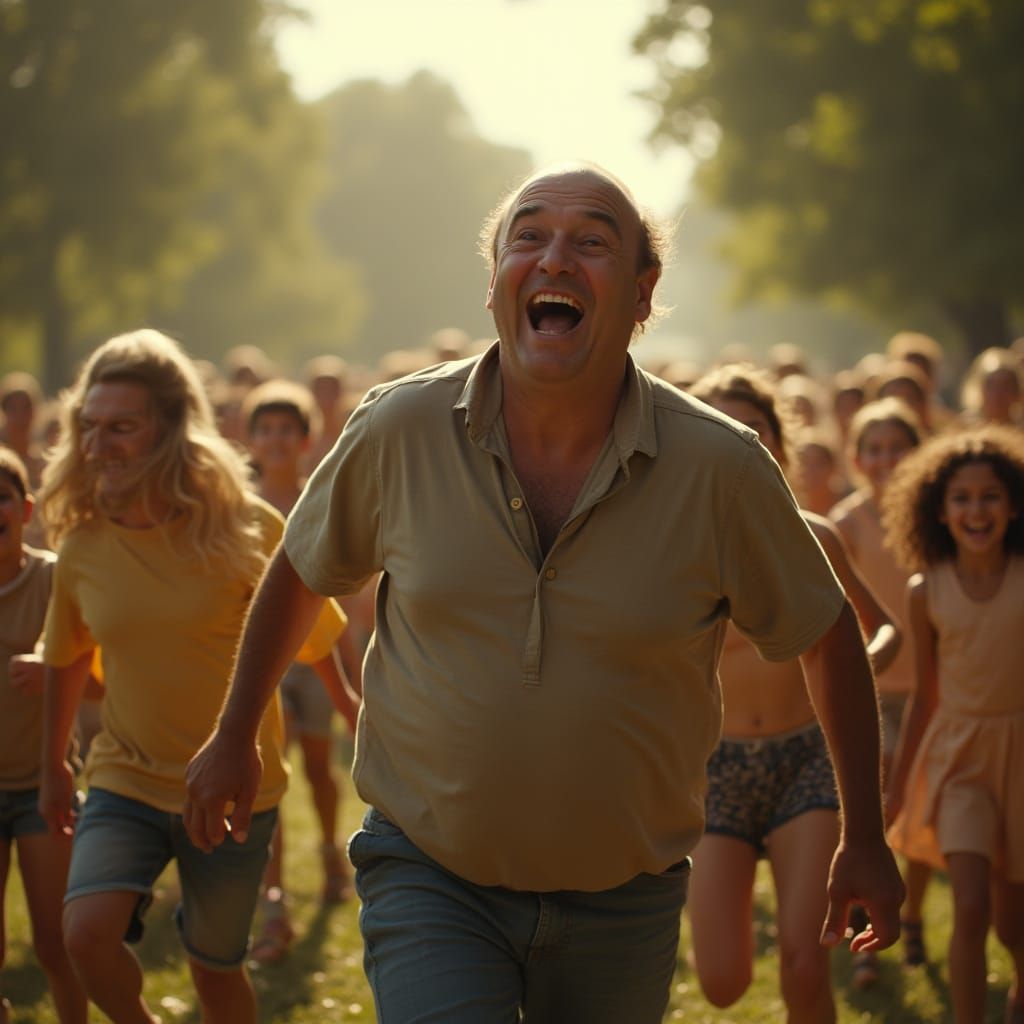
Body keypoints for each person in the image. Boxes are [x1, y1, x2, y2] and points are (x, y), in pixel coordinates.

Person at [184, 163, 904, 1023]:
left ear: (642, 295)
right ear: (494, 283)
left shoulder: (721, 467)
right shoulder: (397, 428)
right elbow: (301, 571)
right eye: (527, 237)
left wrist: (863, 833)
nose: (554, 258)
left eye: (591, 241)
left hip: (623, 899)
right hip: (429, 874)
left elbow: (829, 637)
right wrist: (234, 734)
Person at [37, 330, 347, 1024]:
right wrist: (55, 762)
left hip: (236, 790)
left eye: (121, 426)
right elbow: (64, 654)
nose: (98, 444)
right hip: (125, 776)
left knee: (215, 973)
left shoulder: (248, 528)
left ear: (172, 429)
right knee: (84, 935)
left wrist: (350, 707)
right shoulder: (82, 542)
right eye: (88, 427)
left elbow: (313, 635)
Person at [687, 364, 901, 1023]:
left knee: (807, 966)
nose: (737, 444)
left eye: (752, 431)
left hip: (807, 761)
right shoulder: (677, 547)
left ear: (777, 447)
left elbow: (883, 629)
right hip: (717, 769)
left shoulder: (817, 537)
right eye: (720, 430)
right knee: (721, 982)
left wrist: (845, 670)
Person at [883, 426, 1024, 1024]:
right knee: (970, 908)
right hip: (960, 760)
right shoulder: (926, 590)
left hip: (1021, 758)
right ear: (939, 511)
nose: (976, 510)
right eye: (961, 498)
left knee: (1013, 921)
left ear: (1013, 504)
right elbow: (926, 696)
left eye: (989, 495)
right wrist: (895, 789)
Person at [241, 379, 362, 963]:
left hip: (319, 658)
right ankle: (274, 902)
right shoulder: (239, 508)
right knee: (267, 772)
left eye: (287, 429)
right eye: (265, 429)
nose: (276, 439)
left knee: (318, 768)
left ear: (307, 437)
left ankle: (331, 851)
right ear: (251, 440)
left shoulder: (322, 494)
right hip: (265, 663)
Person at [829, 396, 932, 982]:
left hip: (933, 689)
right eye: (875, 448)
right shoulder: (846, 522)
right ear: (858, 457)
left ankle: (912, 917)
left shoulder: (934, 515)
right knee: (876, 812)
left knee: (921, 811)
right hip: (873, 691)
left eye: (899, 447)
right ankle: (865, 936)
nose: (887, 458)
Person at [0, 447, 86, 1024]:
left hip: (43, 787)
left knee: (57, 943)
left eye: (1, 496)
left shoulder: (56, 577)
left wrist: (53, 669)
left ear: (26, 507)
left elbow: (105, 682)